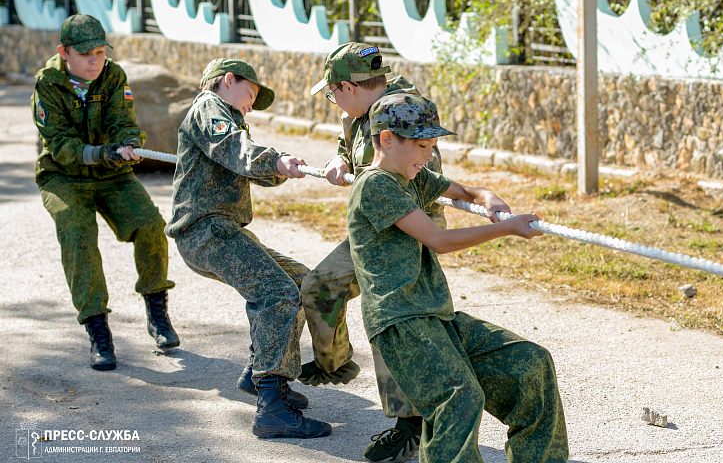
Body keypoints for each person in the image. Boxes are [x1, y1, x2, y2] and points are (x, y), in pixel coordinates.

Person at [347, 93, 568, 463]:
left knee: (531, 364)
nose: (429, 155)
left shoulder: (412, 176)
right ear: (387, 140)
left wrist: (489, 198)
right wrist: (508, 229)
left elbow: (465, 191)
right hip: (401, 322)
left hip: (437, 316)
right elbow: (440, 240)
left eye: (433, 146)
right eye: (422, 145)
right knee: (458, 399)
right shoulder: (376, 184)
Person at [165, 58, 331, 439]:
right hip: (206, 230)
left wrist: (281, 165)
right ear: (227, 80)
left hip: (220, 230)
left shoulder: (227, 115)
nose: (251, 105)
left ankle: (259, 373)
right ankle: (272, 407)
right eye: (251, 94)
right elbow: (236, 148)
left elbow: (242, 158)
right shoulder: (209, 108)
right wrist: (274, 159)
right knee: (277, 293)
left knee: (300, 281)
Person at [303, 42, 446, 462]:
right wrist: (337, 160)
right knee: (319, 287)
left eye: (332, 93)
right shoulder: (359, 111)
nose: (333, 102)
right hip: (378, 226)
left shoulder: (403, 109)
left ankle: (410, 428)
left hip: (410, 225)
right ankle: (336, 363)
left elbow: (425, 168)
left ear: (348, 86)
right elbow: (349, 146)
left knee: (389, 321)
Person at [33, 14, 179, 372]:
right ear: (64, 52)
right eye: (85, 54)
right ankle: (98, 329)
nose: (94, 60)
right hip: (64, 176)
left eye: (99, 52)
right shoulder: (47, 84)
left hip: (110, 173)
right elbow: (60, 144)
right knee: (78, 236)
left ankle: (156, 310)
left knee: (150, 225)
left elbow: (124, 120)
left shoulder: (113, 75)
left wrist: (129, 142)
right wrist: (99, 152)